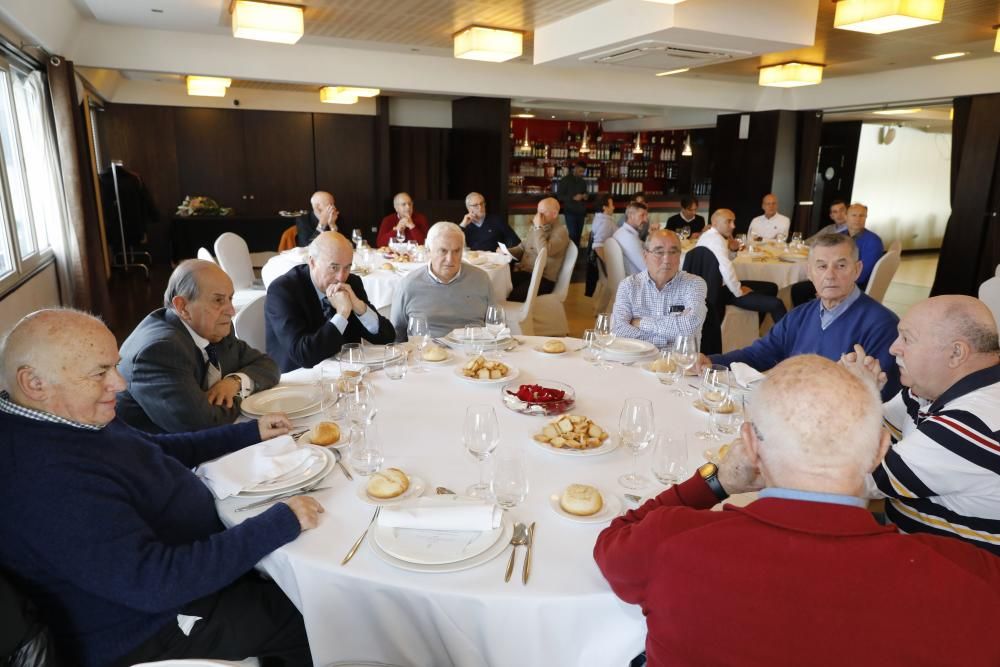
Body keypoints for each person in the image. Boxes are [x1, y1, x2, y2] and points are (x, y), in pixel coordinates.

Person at [595, 354, 1000, 667]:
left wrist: (715, 481)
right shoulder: (964, 575)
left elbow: (612, 544)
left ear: (750, 445)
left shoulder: (671, 540)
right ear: (880, 450)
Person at [0, 309, 322, 667]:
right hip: (147, 624)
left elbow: (154, 450)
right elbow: (157, 583)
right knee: (310, 615)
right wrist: (276, 524)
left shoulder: (71, 417)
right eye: (100, 373)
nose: (119, 384)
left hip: (177, 571)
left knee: (297, 577)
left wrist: (247, 433)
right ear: (34, 383)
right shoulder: (44, 478)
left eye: (114, 366)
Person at [843, 295, 1000, 555]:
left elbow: (854, 476)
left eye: (907, 338)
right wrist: (863, 398)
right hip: (921, 543)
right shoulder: (930, 389)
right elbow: (880, 433)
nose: (894, 348)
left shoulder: (968, 425)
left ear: (956, 353)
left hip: (965, 576)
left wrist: (854, 395)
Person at [696, 233, 899, 400]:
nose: (830, 275)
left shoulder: (883, 325)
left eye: (841, 265)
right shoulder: (801, 315)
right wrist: (712, 362)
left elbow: (882, 399)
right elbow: (759, 354)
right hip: (792, 412)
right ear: (809, 272)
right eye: (821, 266)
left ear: (857, 270)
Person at [116, 260, 280, 433]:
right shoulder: (158, 351)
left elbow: (268, 366)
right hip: (156, 454)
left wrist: (235, 382)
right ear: (183, 306)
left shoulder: (215, 327)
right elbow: (202, 424)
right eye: (218, 300)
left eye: (230, 298)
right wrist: (246, 399)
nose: (231, 311)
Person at [265, 231, 394, 372]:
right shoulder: (283, 291)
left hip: (346, 374)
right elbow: (304, 356)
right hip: (297, 379)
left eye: (347, 267)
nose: (341, 277)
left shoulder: (352, 283)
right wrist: (342, 314)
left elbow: (387, 338)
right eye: (334, 267)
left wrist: (360, 307)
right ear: (312, 262)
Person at [391, 222, 495, 339]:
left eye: (457, 251)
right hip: (426, 353)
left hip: (473, 352)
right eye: (443, 251)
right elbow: (397, 334)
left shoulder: (481, 279)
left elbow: (495, 326)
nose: (450, 259)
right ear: (429, 251)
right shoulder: (409, 285)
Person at [611, 229, 707, 349]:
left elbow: (690, 327)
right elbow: (618, 330)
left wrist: (639, 323)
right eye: (659, 252)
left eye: (673, 252)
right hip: (637, 361)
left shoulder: (694, 284)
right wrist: (661, 340)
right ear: (645, 256)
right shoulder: (629, 286)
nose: (667, 260)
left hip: (679, 363)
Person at [695, 208, 786, 325]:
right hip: (717, 292)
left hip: (716, 286)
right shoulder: (716, 240)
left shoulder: (710, 236)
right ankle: (791, 341)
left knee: (771, 287)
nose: (733, 226)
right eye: (728, 221)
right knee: (777, 304)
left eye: (733, 221)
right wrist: (739, 291)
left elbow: (723, 261)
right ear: (715, 223)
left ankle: (756, 327)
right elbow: (726, 269)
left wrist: (733, 249)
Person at [792, 203, 885, 306]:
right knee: (798, 289)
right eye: (854, 215)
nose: (858, 219)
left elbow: (861, 275)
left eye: (862, 215)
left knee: (801, 291)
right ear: (846, 217)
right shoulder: (840, 236)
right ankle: (811, 317)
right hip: (835, 278)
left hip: (856, 285)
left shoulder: (873, 241)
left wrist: (829, 288)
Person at [506, 197, 570, 302]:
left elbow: (544, 252)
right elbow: (522, 247)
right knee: (501, 283)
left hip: (543, 279)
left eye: (542, 212)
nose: (538, 216)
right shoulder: (538, 227)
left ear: (554, 214)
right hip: (527, 273)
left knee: (515, 296)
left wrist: (538, 228)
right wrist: (506, 252)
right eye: (537, 211)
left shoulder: (560, 232)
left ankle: (517, 317)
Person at [791, 199, 849, 305]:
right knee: (798, 288)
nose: (839, 214)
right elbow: (810, 241)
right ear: (831, 216)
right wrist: (797, 243)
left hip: (836, 274)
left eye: (841, 210)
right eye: (835, 212)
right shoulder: (829, 229)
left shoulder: (850, 233)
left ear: (847, 212)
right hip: (824, 269)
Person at [612, 200, 650, 276]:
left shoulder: (622, 232)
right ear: (630, 216)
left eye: (646, 216)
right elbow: (647, 267)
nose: (646, 220)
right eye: (642, 215)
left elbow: (645, 246)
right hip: (637, 282)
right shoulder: (628, 237)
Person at [557, 162, 588, 247]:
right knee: (573, 235)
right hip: (570, 212)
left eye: (583, 172)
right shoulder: (565, 180)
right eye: (580, 171)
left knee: (578, 235)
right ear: (575, 168)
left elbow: (586, 193)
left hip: (581, 212)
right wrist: (572, 198)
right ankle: (572, 255)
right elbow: (559, 196)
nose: (581, 173)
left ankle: (577, 255)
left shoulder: (583, 182)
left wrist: (585, 196)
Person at [589, 192, 617, 265]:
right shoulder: (605, 222)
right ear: (604, 207)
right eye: (611, 205)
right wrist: (609, 266)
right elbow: (598, 246)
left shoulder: (598, 218)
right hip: (612, 259)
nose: (613, 207)